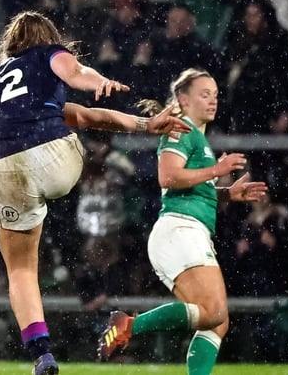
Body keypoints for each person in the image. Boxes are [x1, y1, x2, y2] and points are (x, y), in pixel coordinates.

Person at [0, 10, 192, 375]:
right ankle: (75, 241)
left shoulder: (2, 82)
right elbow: (78, 80)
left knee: (20, 269)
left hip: (5, 165)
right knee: (78, 161)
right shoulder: (46, 52)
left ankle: (41, 353)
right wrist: (101, 81)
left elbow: (80, 113)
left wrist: (142, 122)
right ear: (47, 37)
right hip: (54, 159)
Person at [96, 68, 268, 375]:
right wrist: (217, 170)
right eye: (204, 94)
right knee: (214, 313)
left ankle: (134, 328)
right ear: (182, 100)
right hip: (180, 230)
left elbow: (190, 185)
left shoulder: (196, 134)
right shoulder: (181, 130)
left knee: (217, 321)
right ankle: (131, 325)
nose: (213, 100)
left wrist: (227, 194)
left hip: (186, 231)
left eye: (215, 94)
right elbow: (169, 176)